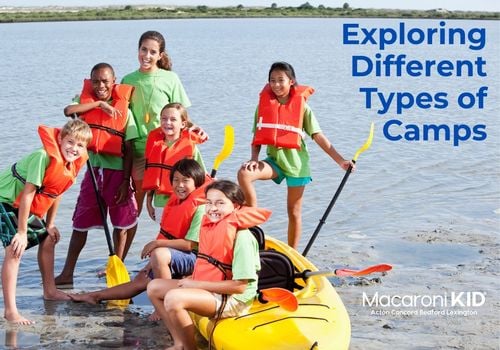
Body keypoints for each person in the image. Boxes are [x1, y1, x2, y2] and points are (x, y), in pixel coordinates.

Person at [238, 62, 354, 250]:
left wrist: (341, 161)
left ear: (291, 82)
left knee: (293, 212)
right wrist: (254, 158)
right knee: (244, 173)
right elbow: (257, 138)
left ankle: (292, 254)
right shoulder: (263, 106)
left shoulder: (303, 108)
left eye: (280, 80)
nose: (276, 85)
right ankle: (252, 218)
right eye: (272, 80)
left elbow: (318, 136)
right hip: (274, 162)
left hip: (297, 166)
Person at [69, 159, 209, 315]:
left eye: (185, 180)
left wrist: (156, 245)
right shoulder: (176, 202)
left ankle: (163, 307)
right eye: (176, 180)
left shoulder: (200, 208)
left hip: (195, 258)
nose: (180, 185)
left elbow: (190, 245)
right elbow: (168, 238)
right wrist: (151, 264)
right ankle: (94, 296)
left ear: (196, 183)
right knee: (139, 281)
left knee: (158, 254)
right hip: (174, 256)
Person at [147, 180, 271, 350]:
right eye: (209, 202)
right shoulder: (211, 227)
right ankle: (180, 343)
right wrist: (193, 279)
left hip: (234, 300)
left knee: (173, 298)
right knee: (154, 287)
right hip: (211, 289)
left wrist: (194, 284)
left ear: (236, 206)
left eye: (220, 203)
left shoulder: (242, 238)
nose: (212, 208)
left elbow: (240, 287)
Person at [0, 119, 92, 325]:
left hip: (19, 205)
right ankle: (10, 311)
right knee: (15, 249)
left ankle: (50, 291)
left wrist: (50, 225)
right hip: (4, 200)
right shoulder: (43, 157)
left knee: (48, 238)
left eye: (80, 145)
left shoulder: (71, 164)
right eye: (70, 142)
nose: (74, 148)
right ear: (60, 139)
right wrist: (22, 232)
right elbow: (27, 195)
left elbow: (55, 192)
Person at [55, 63, 139, 286]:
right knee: (80, 222)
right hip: (93, 172)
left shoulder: (124, 111)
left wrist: (125, 181)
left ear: (114, 82)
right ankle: (67, 273)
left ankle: (116, 271)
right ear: (90, 81)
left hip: (116, 173)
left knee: (121, 225)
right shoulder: (84, 103)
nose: (100, 85)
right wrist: (100, 104)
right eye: (96, 81)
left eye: (105, 81)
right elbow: (68, 111)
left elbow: (129, 148)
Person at [121, 30, 192, 218]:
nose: (147, 56)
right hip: (138, 151)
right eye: (143, 50)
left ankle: (170, 243)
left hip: (165, 151)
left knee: (170, 202)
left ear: (160, 55)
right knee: (134, 209)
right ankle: (123, 248)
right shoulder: (127, 80)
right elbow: (120, 117)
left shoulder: (171, 78)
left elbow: (182, 116)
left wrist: (195, 131)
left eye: (153, 52)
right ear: (138, 50)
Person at [143, 102, 206, 222]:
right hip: (161, 203)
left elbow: (202, 176)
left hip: (184, 202)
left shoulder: (190, 147)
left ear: (183, 124)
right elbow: (151, 173)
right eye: (164, 119)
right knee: (166, 237)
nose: (167, 123)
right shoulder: (154, 145)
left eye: (173, 119)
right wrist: (149, 202)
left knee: (180, 238)